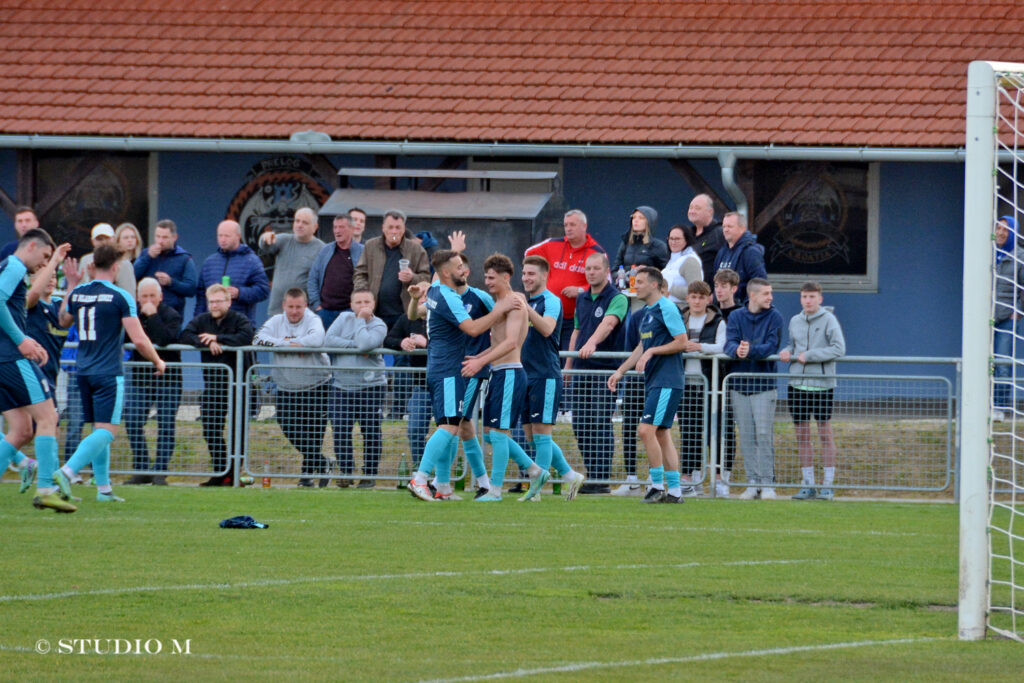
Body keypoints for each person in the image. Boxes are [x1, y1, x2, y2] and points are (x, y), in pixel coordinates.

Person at [406, 249, 523, 502]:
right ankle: (422, 478)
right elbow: (471, 329)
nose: (464, 270)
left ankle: (444, 485)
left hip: (442, 369)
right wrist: (501, 308)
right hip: (450, 370)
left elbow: (416, 313)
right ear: (447, 273)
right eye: (459, 267)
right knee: (450, 425)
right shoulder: (447, 296)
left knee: (454, 425)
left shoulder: (437, 290)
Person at [55, 244, 166, 504]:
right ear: (116, 267)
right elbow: (139, 339)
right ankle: (66, 472)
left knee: (98, 429)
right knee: (108, 431)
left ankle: (103, 490)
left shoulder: (79, 293)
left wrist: (71, 285)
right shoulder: (121, 296)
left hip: (82, 371)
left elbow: (63, 321)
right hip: (108, 373)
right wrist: (158, 360)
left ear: (93, 265)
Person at [459, 254, 550, 502]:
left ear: (505, 277)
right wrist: (480, 357)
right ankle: (535, 470)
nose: (487, 282)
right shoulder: (501, 303)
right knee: (490, 434)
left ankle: (495, 490)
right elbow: (499, 342)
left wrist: (480, 360)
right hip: (499, 374)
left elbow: (511, 342)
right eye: (485, 277)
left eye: (491, 278)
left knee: (499, 434)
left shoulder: (515, 302)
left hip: (510, 373)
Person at [607, 267, 689, 504]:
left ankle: (656, 486)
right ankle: (674, 492)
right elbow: (642, 347)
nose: (636, 286)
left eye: (640, 282)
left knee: (645, 430)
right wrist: (621, 371)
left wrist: (652, 350)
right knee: (662, 434)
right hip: (656, 381)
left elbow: (682, 342)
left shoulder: (667, 307)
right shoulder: (646, 313)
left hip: (668, 380)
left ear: (655, 285)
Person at [0, 229, 64, 511]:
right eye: (45, 257)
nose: (44, 264)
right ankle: (47, 487)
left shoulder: (10, 268)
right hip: (10, 358)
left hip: (5, 356)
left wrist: (26, 338)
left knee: (21, 429)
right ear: (32, 246)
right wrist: (21, 340)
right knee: (48, 416)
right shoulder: (13, 265)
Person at [520, 255, 587, 499]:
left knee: (542, 432)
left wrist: (525, 308)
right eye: (524, 273)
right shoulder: (529, 302)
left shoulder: (551, 301)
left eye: (531, 274)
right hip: (526, 375)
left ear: (544, 276)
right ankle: (570, 476)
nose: (526, 278)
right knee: (530, 434)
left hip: (545, 375)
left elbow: (547, 328)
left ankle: (536, 490)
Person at [255, 287, 332, 488]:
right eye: (291, 307)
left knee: (313, 431)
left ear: (305, 306)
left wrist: (287, 344)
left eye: (298, 307)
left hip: (317, 384)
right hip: (286, 386)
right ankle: (322, 463)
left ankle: (306, 476)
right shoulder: (276, 321)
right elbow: (258, 340)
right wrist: (288, 344)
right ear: (284, 306)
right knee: (289, 428)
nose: (294, 311)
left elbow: (316, 340)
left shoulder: (313, 320)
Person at [181, 283, 255, 486]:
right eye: (211, 301)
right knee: (211, 428)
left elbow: (246, 336)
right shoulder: (202, 320)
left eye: (218, 301)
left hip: (238, 386)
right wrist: (207, 342)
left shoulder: (239, 319)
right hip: (213, 386)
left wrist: (219, 339)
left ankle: (232, 473)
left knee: (237, 431)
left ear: (228, 301)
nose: (214, 305)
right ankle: (221, 471)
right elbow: (186, 334)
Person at [565, 252, 628, 493]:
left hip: (604, 371)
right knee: (581, 423)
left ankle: (601, 479)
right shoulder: (582, 298)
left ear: (605, 271)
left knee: (600, 422)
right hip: (581, 369)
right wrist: (569, 363)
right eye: (587, 269)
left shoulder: (617, 298)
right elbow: (576, 331)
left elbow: (609, 323)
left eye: (595, 268)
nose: (591, 272)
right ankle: (591, 473)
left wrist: (591, 343)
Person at [780, 281, 846, 501]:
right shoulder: (795, 320)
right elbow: (793, 346)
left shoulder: (829, 319)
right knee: (802, 435)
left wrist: (810, 356)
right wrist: (786, 352)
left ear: (820, 298)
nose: (808, 300)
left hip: (822, 385)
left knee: (825, 434)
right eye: (804, 297)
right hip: (797, 385)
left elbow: (839, 348)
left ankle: (827, 484)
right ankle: (807, 484)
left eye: (811, 296)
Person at [724, 277, 783, 500]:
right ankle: (752, 482)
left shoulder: (775, 316)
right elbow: (729, 343)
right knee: (747, 435)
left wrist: (750, 351)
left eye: (771, 293)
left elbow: (771, 346)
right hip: (739, 386)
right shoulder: (736, 316)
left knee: (763, 433)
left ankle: (768, 483)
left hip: (764, 385)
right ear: (753, 296)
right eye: (766, 293)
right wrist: (737, 350)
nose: (770, 297)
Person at [123, 278, 183, 486]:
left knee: (166, 424)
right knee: (132, 421)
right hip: (140, 378)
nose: (148, 301)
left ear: (160, 297)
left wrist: (153, 315)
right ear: (137, 298)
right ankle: (142, 468)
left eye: (152, 296)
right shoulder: (133, 316)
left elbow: (165, 339)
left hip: (168, 379)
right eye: (144, 297)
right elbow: (125, 339)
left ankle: (160, 471)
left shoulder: (171, 315)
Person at [325, 288, 387, 488]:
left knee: (370, 430)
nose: (362, 306)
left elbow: (366, 344)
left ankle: (369, 474)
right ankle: (346, 471)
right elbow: (328, 341)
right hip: (341, 386)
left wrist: (361, 321)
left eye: (366, 302)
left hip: (371, 387)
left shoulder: (379, 324)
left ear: (373, 304)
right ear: (351, 305)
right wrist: (355, 345)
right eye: (358, 302)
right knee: (341, 429)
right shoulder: (343, 318)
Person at [525, 209, 606, 353]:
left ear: (584, 226)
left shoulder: (596, 252)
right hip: (548, 314)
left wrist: (580, 290)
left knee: (568, 358)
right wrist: (543, 276)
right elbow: (528, 254)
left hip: (575, 319)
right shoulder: (552, 244)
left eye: (572, 225)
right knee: (544, 353)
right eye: (566, 225)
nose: (568, 228)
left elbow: (605, 284)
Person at [679, 280, 726, 495]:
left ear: (709, 299)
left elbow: (722, 346)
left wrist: (700, 347)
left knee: (712, 431)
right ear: (687, 298)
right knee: (688, 431)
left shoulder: (717, 321)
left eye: (701, 297)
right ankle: (689, 476)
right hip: (685, 383)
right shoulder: (680, 319)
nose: (697, 301)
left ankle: (717, 479)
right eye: (693, 297)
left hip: (709, 384)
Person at [353, 209, 431, 330]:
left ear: (404, 229)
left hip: (404, 313)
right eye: (390, 227)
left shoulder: (416, 249)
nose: (394, 231)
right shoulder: (371, 246)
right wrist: (364, 297)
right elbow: (360, 273)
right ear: (383, 228)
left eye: (398, 227)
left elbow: (426, 278)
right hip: (375, 312)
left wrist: (412, 278)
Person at [383, 300, 429, 471]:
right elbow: (388, 339)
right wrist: (401, 342)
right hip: (421, 385)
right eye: (418, 297)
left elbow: (453, 346)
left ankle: (442, 475)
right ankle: (421, 470)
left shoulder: (442, 317)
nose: (422, 300)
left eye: (425, 294)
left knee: (448, 433)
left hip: (444, 385)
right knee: (415, 431)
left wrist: (426, 343)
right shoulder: (406, 319)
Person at [194, 220, 270, 323]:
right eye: (220, 236)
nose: (223, 240)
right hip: (211, 324)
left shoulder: (252, 261)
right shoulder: (209, 262)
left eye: (227, 236)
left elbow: (263, 290)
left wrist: (239, 293)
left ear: (238, 236)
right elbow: (201, 296)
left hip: (240, 324)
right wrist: (198, 321)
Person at [259, 207, 325, 316]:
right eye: (297, 221)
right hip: (277, 310)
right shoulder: (284, 240)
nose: (299, 225)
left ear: (315, 227)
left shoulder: (322, 249)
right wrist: (264, 237)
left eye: (305, 222)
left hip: (303, 313)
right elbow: (264, 244)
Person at [308, 212, 365, 330]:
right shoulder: (325, 250)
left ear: (351, 229)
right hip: (325, 312)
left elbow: (367, 280)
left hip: (349, 312)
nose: (337, 231)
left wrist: (357, 307)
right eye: (335, 227)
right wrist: (317, 306)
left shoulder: (362, 251)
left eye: (341, 227)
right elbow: (313, 278)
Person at [133, 219, 199, 317]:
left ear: (174, 237)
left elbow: (191, 289)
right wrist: (148, 257)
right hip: (144, 312)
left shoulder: (184, 258)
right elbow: (132, 276)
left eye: (165, 237)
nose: (160, 241)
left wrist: (171, 282)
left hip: (171, 315)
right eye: (158, 237)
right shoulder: (146, 254)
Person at [993, 216, 1022, 420]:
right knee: (980, 363)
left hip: (1006, 317)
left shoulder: (1020, 255)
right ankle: (979, 404)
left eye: (1006, 230)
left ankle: (999, 408)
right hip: (984, 317)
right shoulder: (987, 252)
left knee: (1002, 364)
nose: (1001, 233)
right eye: (998, 228)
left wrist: (1018, 311)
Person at [713, 212, 766, 304]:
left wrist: (747, 309)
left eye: (730, 226)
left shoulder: (750, 252)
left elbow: (760, 283)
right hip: (722, 310)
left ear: (742, 228)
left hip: (742, 310)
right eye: (724, 226)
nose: (725, 230)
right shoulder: (721, 252)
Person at [79, 223, 136, 294]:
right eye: (99, 239)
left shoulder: (124, 263)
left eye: (107, 238)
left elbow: (129, 294)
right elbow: (80, 290)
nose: (104, 242)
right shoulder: (85, 260)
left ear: (114, 239)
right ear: (92, 241)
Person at [612, 205, 669, 271]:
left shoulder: (658, 245)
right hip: (627, 281)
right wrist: (627, 275)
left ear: (649, 222)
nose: (636, 220)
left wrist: (647, 271)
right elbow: (614, 271)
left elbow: (666, 272)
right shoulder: (625, 243)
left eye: (641, 218)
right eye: (633, 217)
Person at [688, 194, 724, 288]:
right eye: (690, 208)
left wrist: (715, 293)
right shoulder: (687, 235)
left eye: (697, 208)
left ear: (710, 212)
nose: (692, 211)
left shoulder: (720, 233)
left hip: (709, 294)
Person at [662, 224, 703, 304]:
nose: (673, 242)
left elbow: (696, 291)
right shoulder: (672, 260)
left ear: (686, 240)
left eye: (677, 239)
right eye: (671, 239)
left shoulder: (690, 261)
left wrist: (669, 287)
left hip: (683, 310)